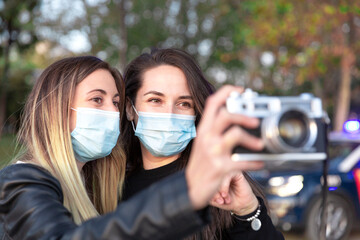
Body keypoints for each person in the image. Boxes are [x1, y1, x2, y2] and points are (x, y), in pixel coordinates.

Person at [0, 56, 265, 239]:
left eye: (114, 102)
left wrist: (247, 213)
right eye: (96, 100)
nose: (110, 112)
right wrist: (187, 193)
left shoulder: (98, 179)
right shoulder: (22, 180)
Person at [121, 48, 284, 239]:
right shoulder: (110, 187)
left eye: (184, 104)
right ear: (130, 109)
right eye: (155, 100)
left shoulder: (221, 186)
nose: (169, 114)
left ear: (196, 112)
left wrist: (247, 211)